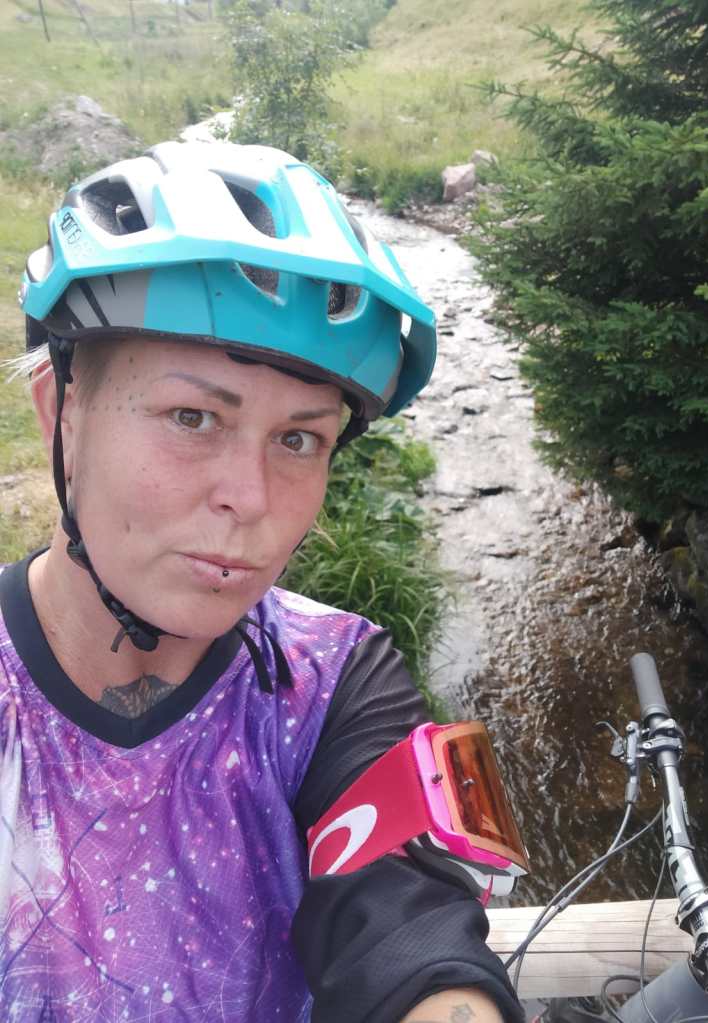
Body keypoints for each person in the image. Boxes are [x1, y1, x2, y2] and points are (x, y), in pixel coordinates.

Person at [1, 140, 522, 1021]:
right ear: (63, 411)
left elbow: (411, 927)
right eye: (193, 416)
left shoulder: (334, 678)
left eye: (299, 439)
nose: (251, 499)